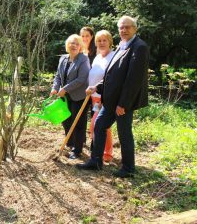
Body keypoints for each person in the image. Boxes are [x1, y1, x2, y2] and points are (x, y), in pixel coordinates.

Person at [76, 16, 149, 178]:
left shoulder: (139, 47)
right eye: (121, 28)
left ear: (135, 29)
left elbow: (134, 80)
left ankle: (128, 168)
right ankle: (96, 161)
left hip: (123, 102)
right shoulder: (122, 46)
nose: (123, 30)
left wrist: (124, 104)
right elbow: (113, 75)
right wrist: (98, 87)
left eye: (127, 27)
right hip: (110, 100)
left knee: (124, 133)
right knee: (99, 126)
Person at [51, 34, 90, 159]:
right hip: (64, 97)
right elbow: (58, 76)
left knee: (77, 123)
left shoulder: (83, 59)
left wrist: (65, 89)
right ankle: (70, 143)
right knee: (65, 120)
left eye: (77, 43)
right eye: (71, 43)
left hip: (79, 97)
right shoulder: (63, 58)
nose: (74, 45)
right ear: (67, 45)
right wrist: (54, 88)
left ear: (80, 46)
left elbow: (82, 79)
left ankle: (77, 150)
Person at [88, 30, 115, 162]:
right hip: (94, 97)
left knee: (97, 125)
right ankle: (105, 152)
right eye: (99, 40)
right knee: (103, 127)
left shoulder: (114, 57)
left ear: (110, 41)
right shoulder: (98, 57)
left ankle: (105, 153)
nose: (102, 43)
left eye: (104, 40)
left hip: (105, 97)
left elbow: (112, 79)